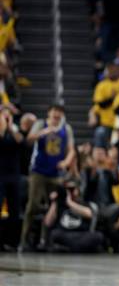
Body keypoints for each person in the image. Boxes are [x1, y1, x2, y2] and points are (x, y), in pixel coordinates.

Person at [20, 105, 75, 251]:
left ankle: (46, 240)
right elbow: (29, 140)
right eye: (54, 112)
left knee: (54, 206)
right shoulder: (40, 124)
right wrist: (44, 132)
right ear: (49, 113)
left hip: (55, 173)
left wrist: (66, 162)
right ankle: (24, 240)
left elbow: (71, 150)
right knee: (33, 206)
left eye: (60, 112)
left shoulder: (66, 128)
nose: (57, 114)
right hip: (38, 171)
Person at [43, 180, 105, 253]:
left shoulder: (83, 203)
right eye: (68, 189)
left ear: (78, 190)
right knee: (54, 234)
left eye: (72, 189)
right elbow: (47, 222)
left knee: (98, 236)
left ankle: (69, 248)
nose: (70, 192)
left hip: (80, 234)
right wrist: (54, 202)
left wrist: (69, 203)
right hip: (65, 234)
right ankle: (76, 248)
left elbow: (89, 214)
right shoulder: (59, 204)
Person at [0, 106, 23, 249]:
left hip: (13, 174)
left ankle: (12, 241)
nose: (6, 117)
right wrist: (2, 127)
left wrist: (10, 126)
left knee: (15, 209)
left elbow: (21, 141)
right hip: (0, 175)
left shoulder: (14, 130)